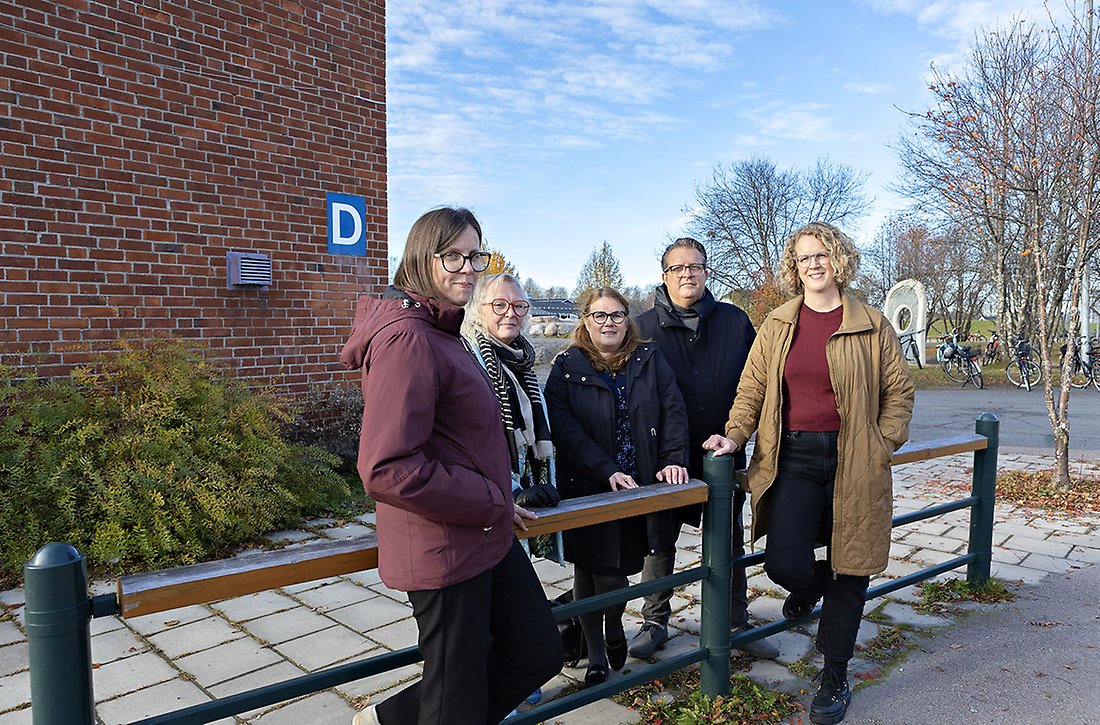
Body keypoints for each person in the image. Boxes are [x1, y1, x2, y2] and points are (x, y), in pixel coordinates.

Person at [339, 207, 563, 725]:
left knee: (538, 653)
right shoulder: (408, 339)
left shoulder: (442, 331)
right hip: (443, 547)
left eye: (474, 255)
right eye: (453, 256)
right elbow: (386, 466)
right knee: (455, 700)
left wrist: (495, 505)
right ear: (423, 258)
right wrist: (489, 500)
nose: (468, 267)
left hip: (484, 533)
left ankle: (390, 720)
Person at [705, 221, 914, 725]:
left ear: (838, 259)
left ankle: (835, 672)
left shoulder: (871, 322)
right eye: (803, 258)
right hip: (793, 458)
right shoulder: (777, 324)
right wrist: (733, 436)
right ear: (794, 268)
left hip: (855, 458)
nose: (813, 264)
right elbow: (752, 388)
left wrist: (880, 443)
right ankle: (810, 587)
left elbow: (899, 393)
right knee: (783, 562)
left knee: (853, 565)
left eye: (821, 255)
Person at [632, 237, 779, 661]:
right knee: (659, 538)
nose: (687, 274)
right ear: (664, 276)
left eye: (695, 266)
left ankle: (735, 619)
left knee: (729, 537)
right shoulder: (642, 329)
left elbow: (758, 383)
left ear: (706, 272)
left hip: (722, 449)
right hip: (664, 456)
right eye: (677, 268)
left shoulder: (734, 322)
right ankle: (655, 620)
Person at [544, 287, 690, 688]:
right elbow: (566, 431)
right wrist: (605, 469)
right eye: (599, 315)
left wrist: (673, 458)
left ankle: (613, 628)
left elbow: (673, 409)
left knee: (617, 571)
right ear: (585, 320)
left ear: (628, 319)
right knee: (589, 568)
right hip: (589, 485)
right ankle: (595, 651)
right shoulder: (566, 366)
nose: (608, 322)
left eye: (617, 314)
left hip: (637, 485)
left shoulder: (650, 358)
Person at [461, 272, 563, 712]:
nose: (511, 314)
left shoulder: (519, 359)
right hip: (481, 505)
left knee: (510, 604)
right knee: (489, 608)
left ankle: (513, 684)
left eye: (519, 306)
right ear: (479, 310)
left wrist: (534, 482)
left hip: (511, 497)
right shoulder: (470, 358)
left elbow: (528, 430)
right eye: (499, 306)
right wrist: (507, 490)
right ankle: (503, 691)